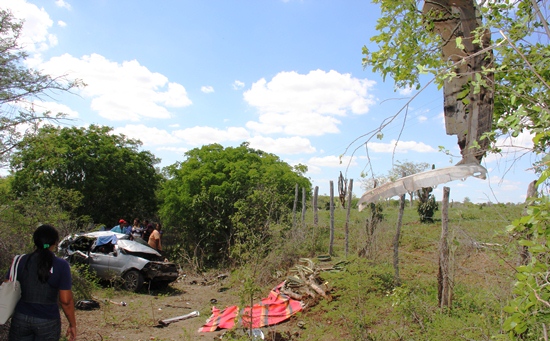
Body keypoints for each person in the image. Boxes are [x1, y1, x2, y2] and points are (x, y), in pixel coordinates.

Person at [6, 224, 77, 341]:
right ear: (55, 243)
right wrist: (72, 324)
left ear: (35, 241)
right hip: (48, 319)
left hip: (21, 317)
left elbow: (7, 285)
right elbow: (65, 300)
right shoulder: (61, 265)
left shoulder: (20, 260)